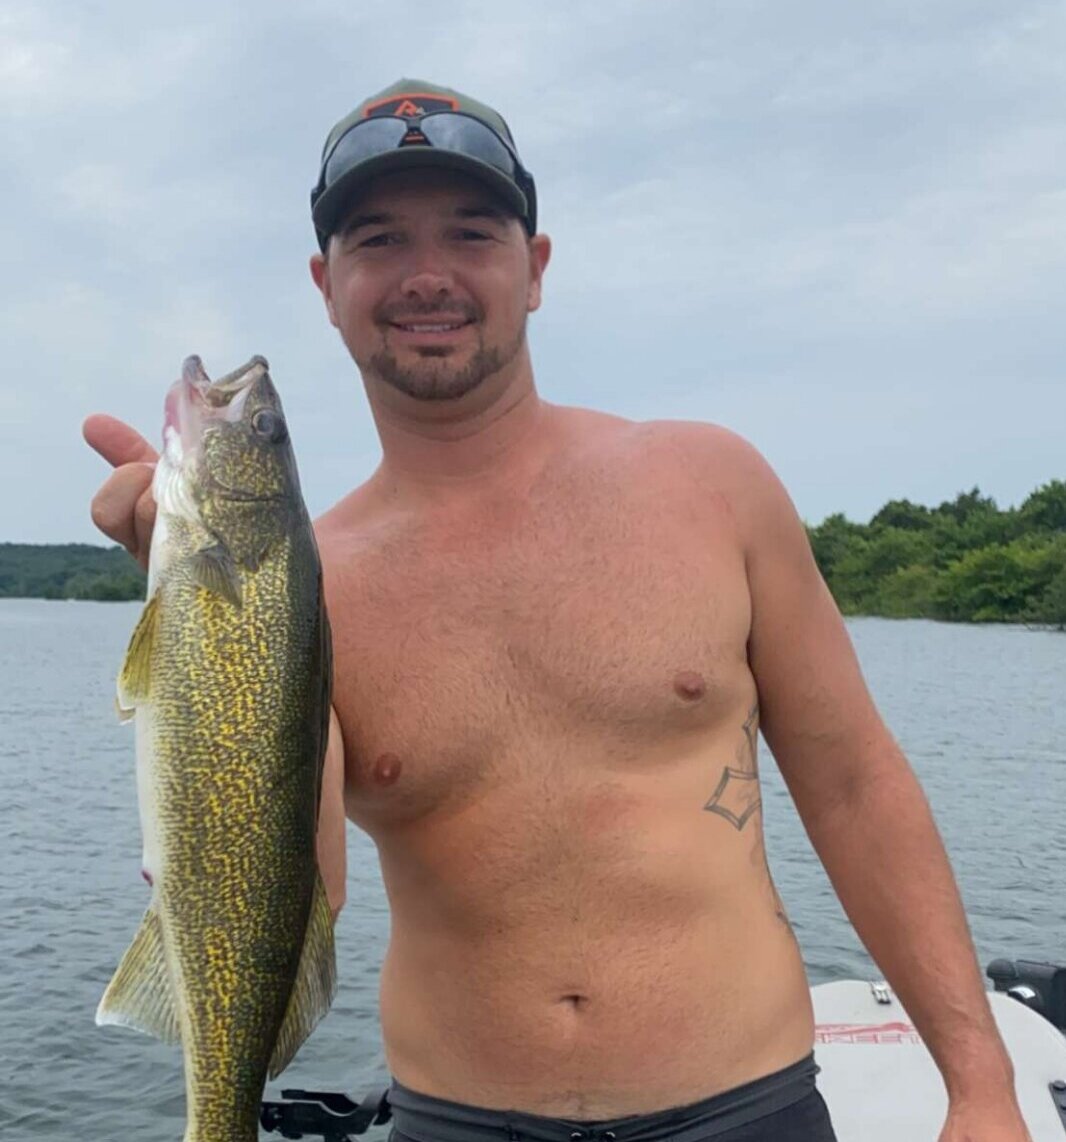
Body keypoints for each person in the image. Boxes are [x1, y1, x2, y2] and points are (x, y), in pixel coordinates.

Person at [84, 80, 1032, 1142]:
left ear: (534, 269)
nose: (427, 274)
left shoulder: (710, 485)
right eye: (380, 238)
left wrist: (979, 1081)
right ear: (327, 282)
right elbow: (295, 891)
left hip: (746, 1107)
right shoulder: (307, 579)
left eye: (472, 233)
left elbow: (856, 784)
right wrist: (195, 623)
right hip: (459, 1119)